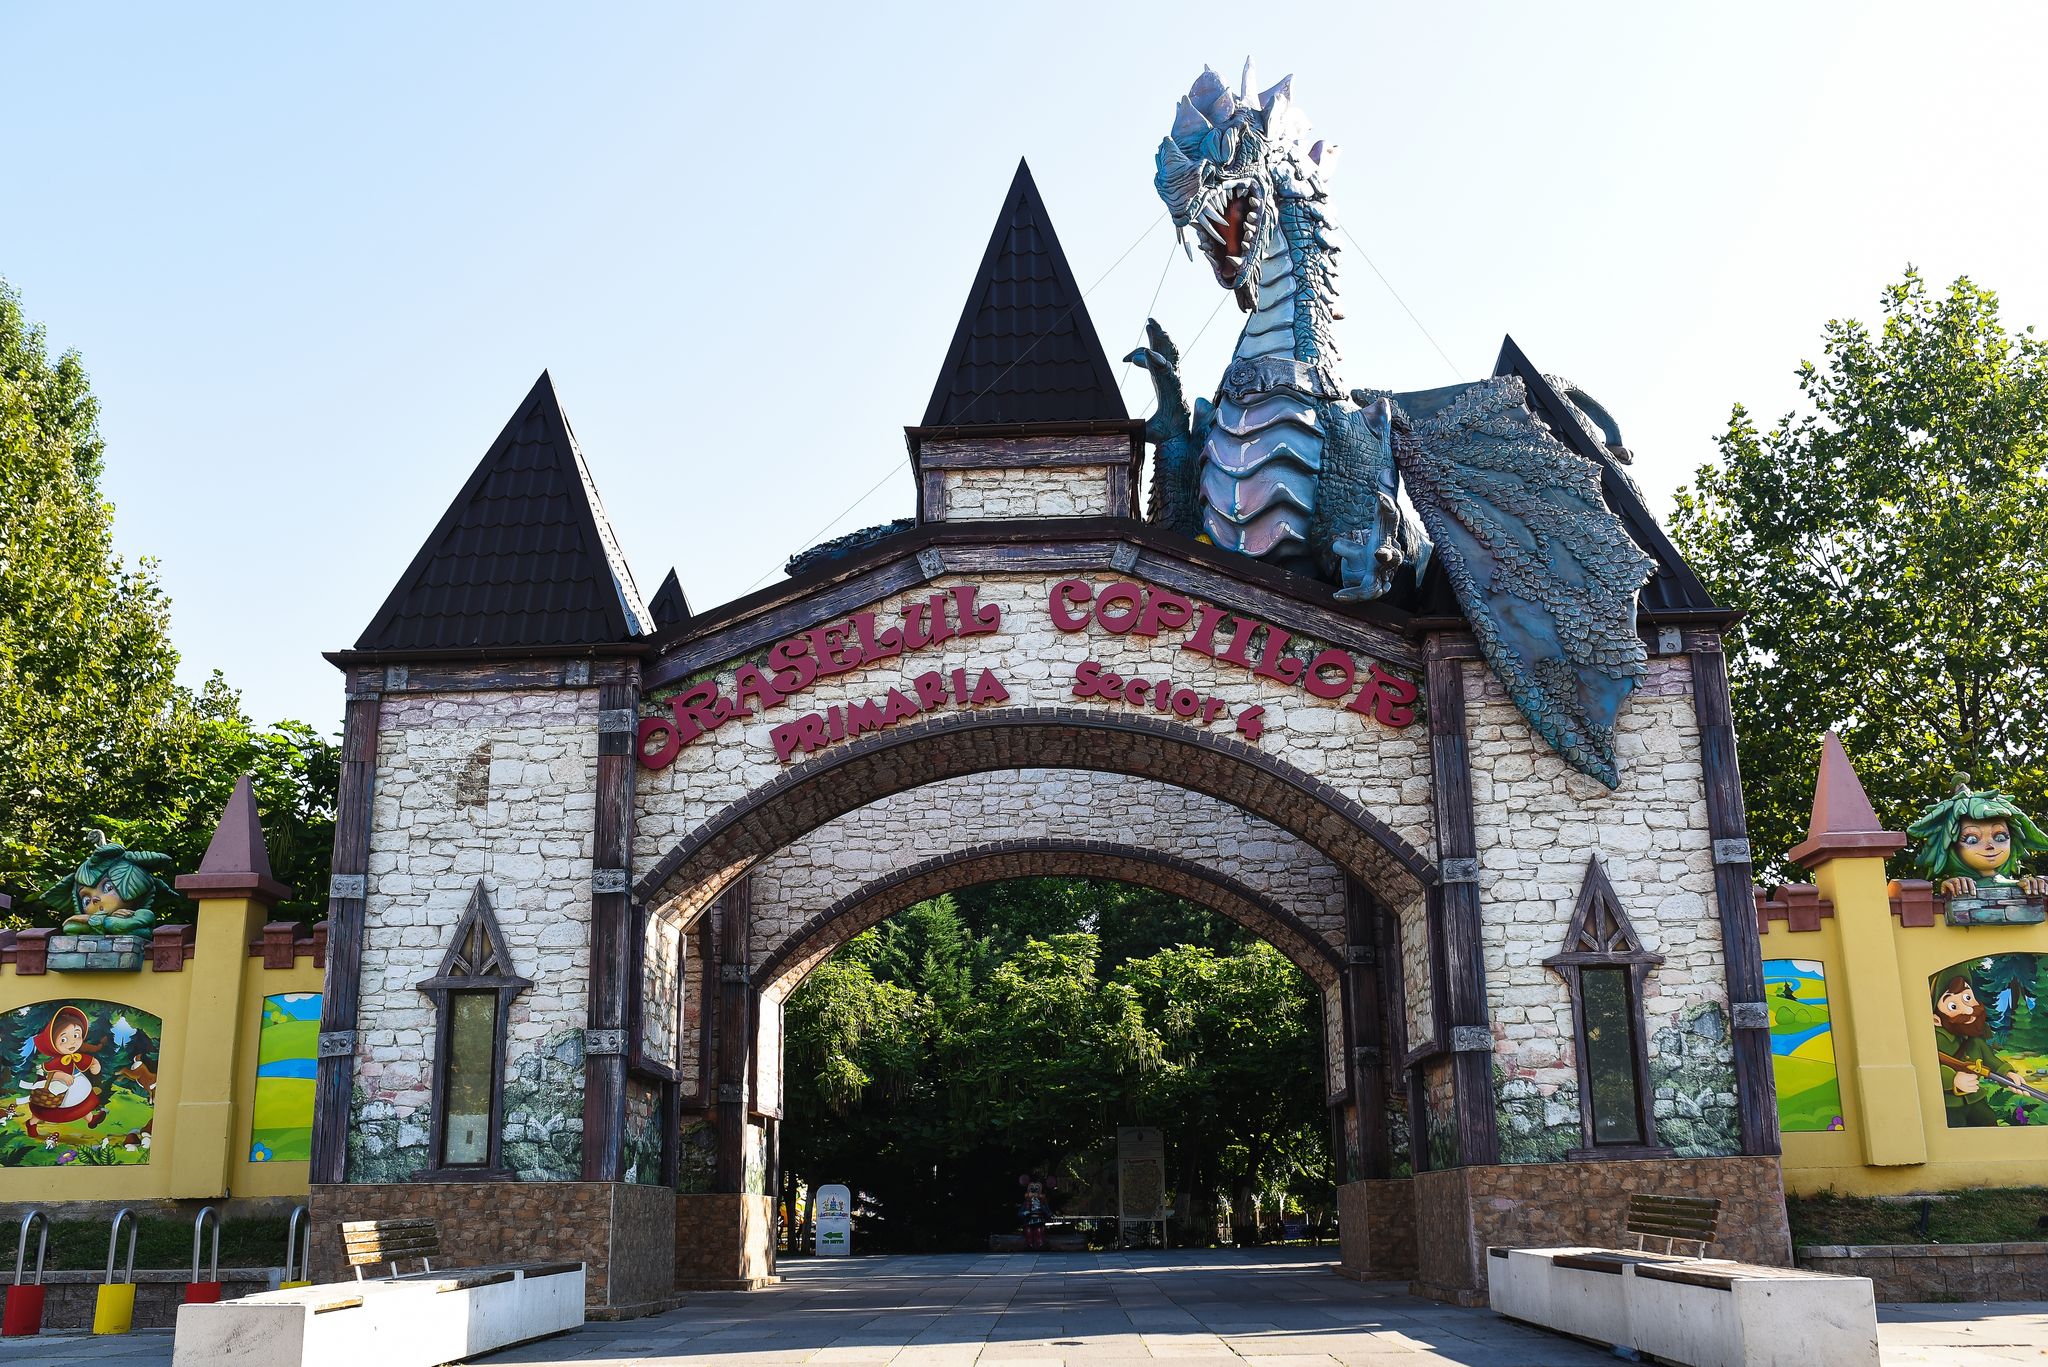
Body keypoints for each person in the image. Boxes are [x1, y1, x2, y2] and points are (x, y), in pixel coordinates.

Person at [1933, 976, 2027, 1127]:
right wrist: (1953, 1080)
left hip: (1976, 1100)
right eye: (1953, 1006)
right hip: (1951, 1106)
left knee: (1989, 1123)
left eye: (1967, 997)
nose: (1969, 1009)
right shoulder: (1936, 1042)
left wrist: (2008, 1074)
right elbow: (1928, 1067)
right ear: (1936, 1019)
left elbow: (1990, 1060)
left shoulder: (1974, 1040)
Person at [24, 1005, 108, 1138]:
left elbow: (89, 1061)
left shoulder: (76, 1055)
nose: (72, 1042)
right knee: (44, 1112)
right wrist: (61, 1075)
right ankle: (32, 1123)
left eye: (76, 1035)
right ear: (52, 1042)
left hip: (78, 1084)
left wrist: (94, 1064)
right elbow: (49, 1073)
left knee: (83, 1103)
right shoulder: (57, 1060)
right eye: (64, 1039)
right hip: (59, 1091)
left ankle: (91, 1120)